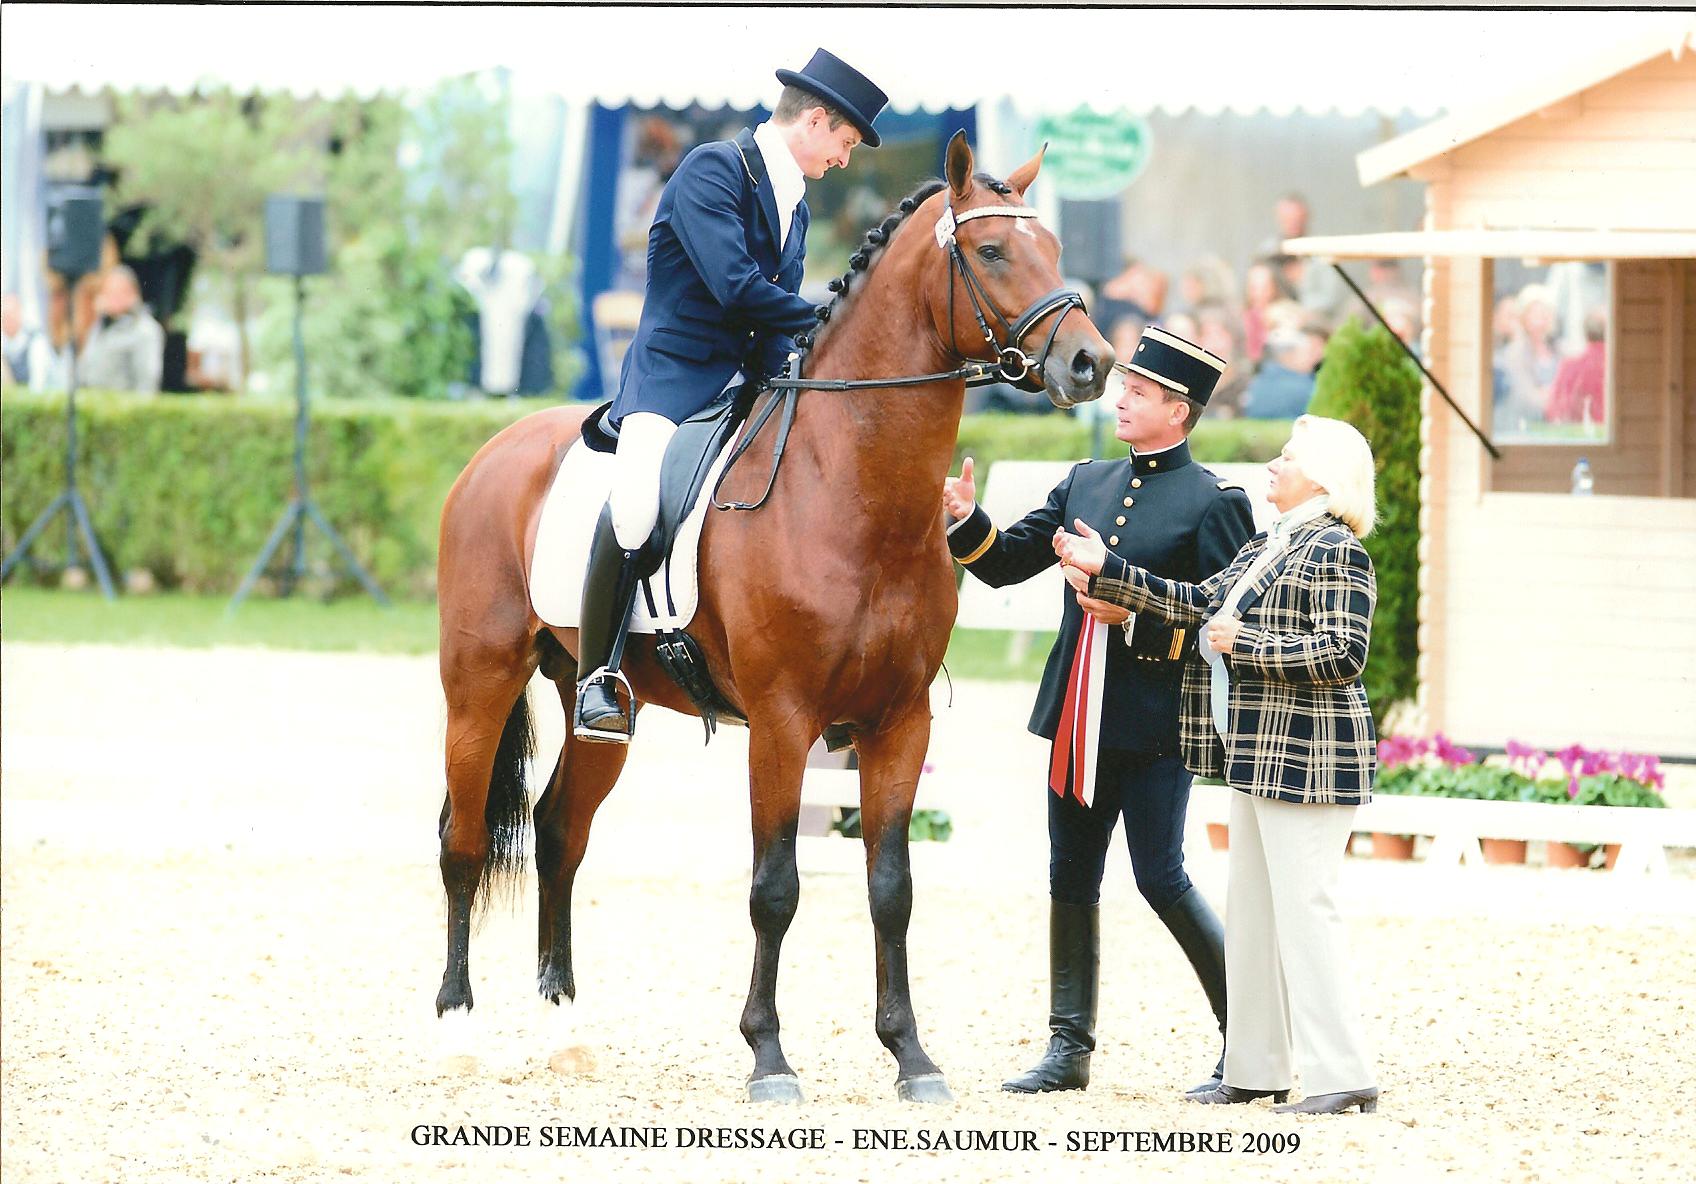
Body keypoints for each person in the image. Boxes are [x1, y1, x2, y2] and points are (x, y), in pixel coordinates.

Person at [943, 326, 1255, 1095]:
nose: (1122, 397)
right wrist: (965, 521)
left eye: (1140, 393)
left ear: (1179, 412)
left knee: (1161, 878)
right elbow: (1007, 563)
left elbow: (1220, 622)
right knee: (1069, 876)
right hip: (1076, 719)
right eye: (1127, 387)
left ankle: (1249, 1038)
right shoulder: (1084, 482)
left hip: (1157, 726)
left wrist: (1136, 618)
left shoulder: (1216, 503)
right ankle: (1066, 1048)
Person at [1053, 413, 1382, 1116]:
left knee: (1305, 913)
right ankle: (1257, 1067)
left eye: (1287, 458)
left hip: (1311, 760)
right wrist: (1106, 571)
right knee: (1257, 914)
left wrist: (1246, 643)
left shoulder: (1337, 550)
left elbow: (1344, 653)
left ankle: (1343, 1073)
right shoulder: (1272, 544)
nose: (1273, 466)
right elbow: (1197, 601)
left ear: (1323, 478)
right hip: (1258, 757)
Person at [573, 48, 888, 743]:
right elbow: (737, 288)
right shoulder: (713, 168)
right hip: (674, 377)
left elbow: (771, 323)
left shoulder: (796, 203)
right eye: (843, 143)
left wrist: (806, 374)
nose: (842, 160)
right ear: (816, 120)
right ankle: (597, 678)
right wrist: (837, 325)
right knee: (633, 511)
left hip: (748, 382)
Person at [77, 265, 164, 394]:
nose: (111, 298)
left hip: (122, 409)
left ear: (133, 294)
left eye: (119, 292)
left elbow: (147, 382)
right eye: (107, 292)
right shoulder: (99, 325)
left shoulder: (144, 330)